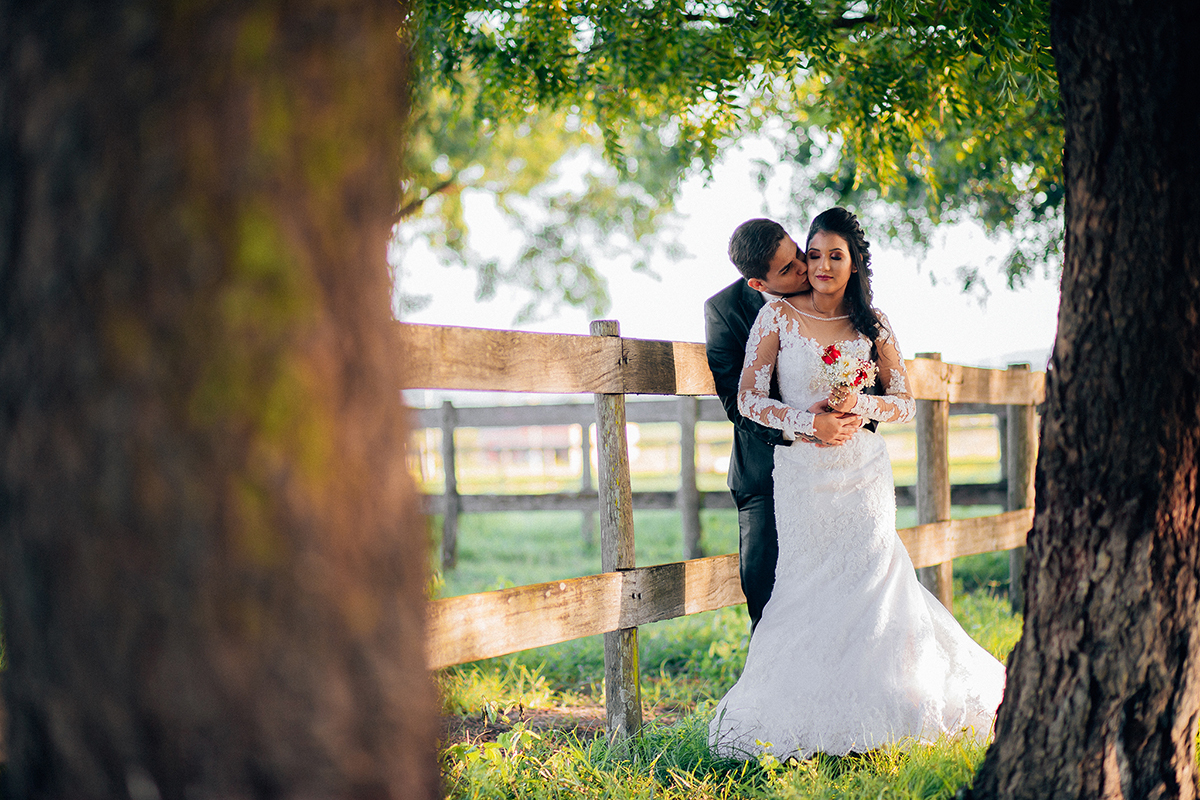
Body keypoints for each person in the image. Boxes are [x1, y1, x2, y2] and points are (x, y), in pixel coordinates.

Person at [709, 207, 1005, 760]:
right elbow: (748, 400)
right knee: (803, 588)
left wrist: (859, 403)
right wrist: (808, 422)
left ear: (853, 263)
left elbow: (905, 402)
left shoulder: (875, 323)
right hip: (800, 474)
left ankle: (889, 703)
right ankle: (799, 710)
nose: (818, 265)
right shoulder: (774, 317)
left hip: (863, 474)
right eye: (812, 255)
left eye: (831, 256)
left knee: (873, 586)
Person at [704, 219, 862, 634]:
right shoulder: (724, 313)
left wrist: (854, 415)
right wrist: (804, 426)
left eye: (798, 253)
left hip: (838, 471)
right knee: (769, 601)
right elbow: (737, 404)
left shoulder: (829, 283)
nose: (804, 268)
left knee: (846, 597)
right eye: (788, 268)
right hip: (764, 474)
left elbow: (869, 370)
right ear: (759, 284)